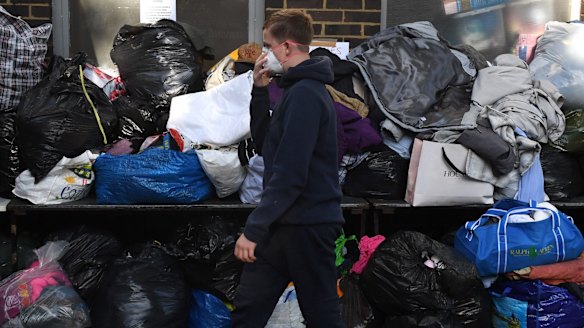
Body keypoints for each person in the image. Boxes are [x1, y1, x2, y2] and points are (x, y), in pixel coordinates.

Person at [232, 9, 345, 328]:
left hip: (308, 226)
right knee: (249, 309)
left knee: (321, 313)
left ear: (287, 47)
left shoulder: (307, 96)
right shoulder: (294, 92)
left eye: (268, 46)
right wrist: (259, 90)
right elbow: (269, 147)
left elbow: (291, 173)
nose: (265, 54)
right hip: (282, 224)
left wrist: (254, 229)